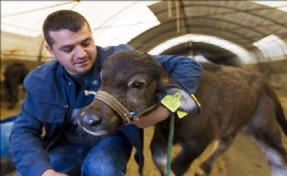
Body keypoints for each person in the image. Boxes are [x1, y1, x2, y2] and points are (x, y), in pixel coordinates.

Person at [9, 10, 202, 176]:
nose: (81, 54)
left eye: (86, 43)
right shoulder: (41, 81)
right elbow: (24, 130)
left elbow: (188, 65)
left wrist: (165, 109)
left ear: (92, 35)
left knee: (103, 168)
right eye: (68, 49)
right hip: (66, 144)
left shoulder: (121, 59)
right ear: (50, 50)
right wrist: (44, 171)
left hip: (111, 138)